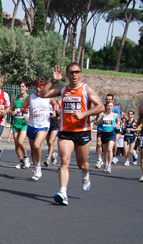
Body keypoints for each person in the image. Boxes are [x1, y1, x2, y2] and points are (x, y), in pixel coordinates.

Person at [38, 63, 104, 206]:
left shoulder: (86, 89)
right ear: (66, 75)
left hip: (82, 132)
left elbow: (101, 107)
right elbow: (43, 94)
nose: (74, 75)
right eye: (71, 72)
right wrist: (53, 81)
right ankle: (63, 192)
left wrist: (84, 114)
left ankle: (85, 173)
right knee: (65, 160)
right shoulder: (63, 89)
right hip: (66, 131)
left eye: (76, 72)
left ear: (80, 74)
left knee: (82, 164)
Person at [21, 77, 55, 181]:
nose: (38, 89)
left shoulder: (49, 97)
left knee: (37, 145)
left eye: (40, 87)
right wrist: (24, 111)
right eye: (36, 87)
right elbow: (23, 107)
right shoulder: (30, 97)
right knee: (33, 149)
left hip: (44, 125)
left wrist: (54, 111)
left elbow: (55, 105)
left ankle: (39, 166)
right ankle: (35, 167)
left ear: (44, 87)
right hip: (32, 125)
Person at [95, 94, 122, 168]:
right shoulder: (102, 107)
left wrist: (117, 124)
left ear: (112, 100)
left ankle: (110, 161)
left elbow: (118, 119)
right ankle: (99, 159)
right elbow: (97, 116)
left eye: (110, 99)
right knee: (98, 144)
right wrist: (97, 119)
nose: (108, 101)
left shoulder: (115, 109)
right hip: (101, 129)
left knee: (109, 148)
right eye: (107, 99)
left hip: (111, 131)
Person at [9, 81, 30, 169]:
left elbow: (32, 109)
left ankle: (25, 158)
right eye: (20, 86)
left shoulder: (29, 98)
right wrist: (12, 112)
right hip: (16, 123)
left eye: (23, 86)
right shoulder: (15, 98)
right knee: (17, 144)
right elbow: (9, 109)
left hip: (24, 124)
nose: (21, 88)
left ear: (26, 88)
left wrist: (28, 117)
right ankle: (21, 161)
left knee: (21, 141)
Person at [44, 100, 60, 167]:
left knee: (51, 141)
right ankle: (54, 154)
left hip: (54, 124)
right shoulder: (43, 102)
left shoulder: (57, 103)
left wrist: (56, 112)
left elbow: (60, 113)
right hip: (47, 124)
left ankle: (48, 159)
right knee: (48, 142)